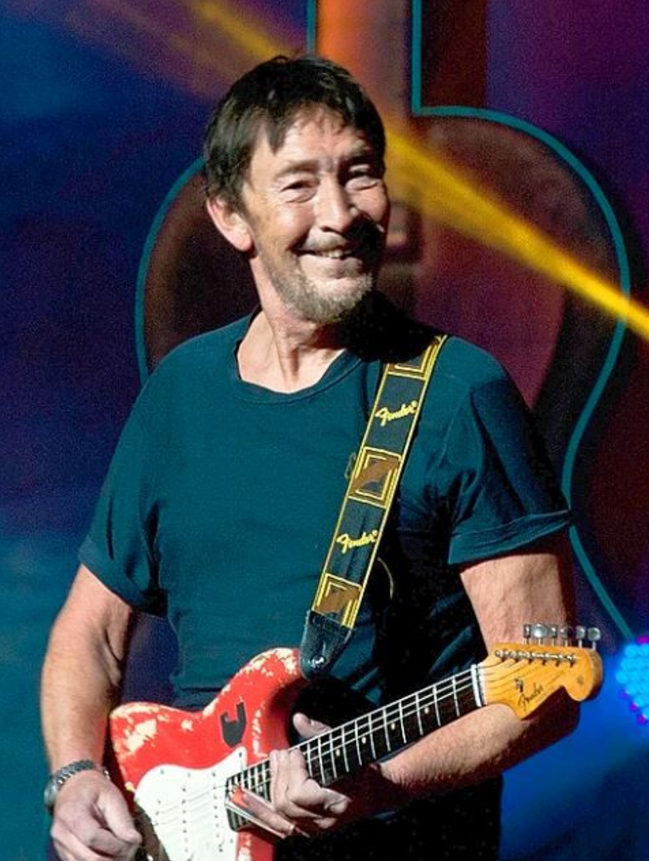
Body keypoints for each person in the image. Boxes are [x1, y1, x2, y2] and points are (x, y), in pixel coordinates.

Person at [41, 55, 578, 861]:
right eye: (298, 184)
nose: (340, 213)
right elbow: (91, 634)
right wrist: (77, 773)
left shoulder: (457, 393)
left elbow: (542, 686)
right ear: (231, 216)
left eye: (359, 174)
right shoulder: (182, 390)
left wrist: (380, 784)